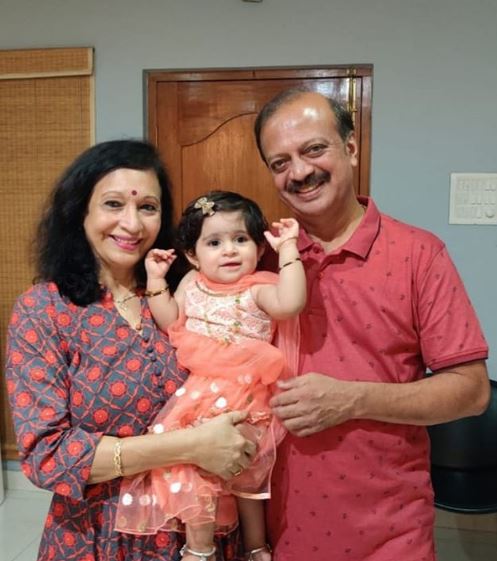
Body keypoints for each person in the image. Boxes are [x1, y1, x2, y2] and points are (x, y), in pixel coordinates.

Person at [253, 88, 491, 561]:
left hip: (390, 535)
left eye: (313, 149)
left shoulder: (419, 254)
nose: (298, 172)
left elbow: (472, 391)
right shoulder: (258, 259)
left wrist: (352, 399)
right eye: (280, 163)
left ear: (351, 147)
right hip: (278, 533)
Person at [5, 141, 258, 561]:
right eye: (113, 204)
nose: (132, 223)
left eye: (147, 207)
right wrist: (191, 445)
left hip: (202, 528)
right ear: (80, 211)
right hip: (99, 536)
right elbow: (47, 456)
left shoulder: (180, 296)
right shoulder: (46, 309)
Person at [115, 190, 305, 561]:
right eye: (214, 243)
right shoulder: (192, 283)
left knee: (246, 479)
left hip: (246, 396)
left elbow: (291, 303)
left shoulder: (258, 289)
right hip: (199, 394)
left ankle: (256, 547)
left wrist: (288, 250)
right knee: (191, 467)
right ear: (192, 255)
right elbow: (170, 320)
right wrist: (156, 278)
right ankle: (199, 549)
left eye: (240, 239)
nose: (229, 250)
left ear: (258, 247)